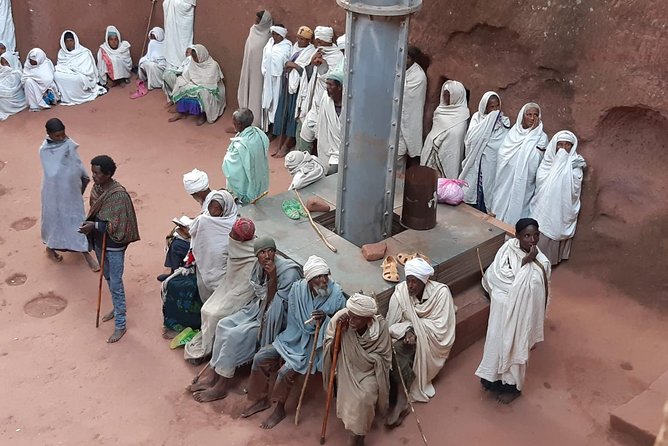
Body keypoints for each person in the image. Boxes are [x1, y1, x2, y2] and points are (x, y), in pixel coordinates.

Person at [189, 237, 303, 402]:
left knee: (235, 335)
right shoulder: (259, 266)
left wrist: (273, 278)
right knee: (223, 325)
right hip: (258, 308)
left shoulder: (288, 272)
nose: (266, 255)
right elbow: (260, 294)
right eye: (262, 253)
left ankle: (222, 385)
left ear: (275, 251)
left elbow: (277, 304)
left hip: (277, 319)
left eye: (270, 251)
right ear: (256, 255)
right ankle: (214, 375)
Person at [241, 255, 346, 429]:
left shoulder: (336, 294)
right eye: (318, 277)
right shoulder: (297, 290)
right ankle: (260, 399)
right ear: (309, 280)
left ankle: (279, 409)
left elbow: (340, 323)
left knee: (285, 372)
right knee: (261, 357)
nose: (323, 281)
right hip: (292, 337)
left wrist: (326, 319)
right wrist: (306, 327)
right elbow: (294, 318)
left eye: (325, 276)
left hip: (315, 345)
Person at [475, 218, 551, 404]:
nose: (532, 240)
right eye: (526, 236)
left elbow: (537, 294)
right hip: (500, 314)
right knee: (495, 345)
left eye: (535, 235)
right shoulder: (506, 251)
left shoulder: (542, 263)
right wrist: (525, 263)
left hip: (521, 319)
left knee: (516, 350)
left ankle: (512, 388)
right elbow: (497, 277)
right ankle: (491, 381)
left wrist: (528, 264)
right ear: (517, 236)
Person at [385, 257, 456, 427]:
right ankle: (399, 397)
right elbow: (391, 325)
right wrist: (408, 330)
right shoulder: (401, 293)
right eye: (408, 280)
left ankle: (402, 400)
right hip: (407, 336)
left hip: (431, 341)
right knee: (395, 350)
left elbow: (442, 329)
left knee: (404, 351)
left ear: (425, 281)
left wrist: (415, 330)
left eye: (415, 282)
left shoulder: (441, 293)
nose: (410, 285)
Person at [78, 155, 140, 343]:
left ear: (108, 174)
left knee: (116, 282)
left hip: (114, 245)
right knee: (107, 276)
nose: (94, 176)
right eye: (93, 172)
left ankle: (120, 324)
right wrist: (91, 226)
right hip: (99, 241)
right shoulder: (97, 188)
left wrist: (94, 226)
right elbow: (96, 213)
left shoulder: (119, 196)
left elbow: (119, 226)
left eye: (97, 173)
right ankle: (116, 307)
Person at [184, 217, 256, 363]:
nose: (230, 236)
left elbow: (245, 285)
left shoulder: (252, 257)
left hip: (241, 294)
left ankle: (209, 350)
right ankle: (207, 342)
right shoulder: (235, 247)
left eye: (234, 234)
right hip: (228, 287)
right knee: (206, 309)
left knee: (215, 314)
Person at [323, 293, 392, 446]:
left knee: (365, 398)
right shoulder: (343, 321)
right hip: (347, 367)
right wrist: (340, 332)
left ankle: (357, 436)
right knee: (354, 401)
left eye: (357, 318)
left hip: (370, 371)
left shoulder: (380, 328)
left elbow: (385, 357)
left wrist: (368, 359)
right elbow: (331, 348)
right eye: (351, 316)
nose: (352, 320)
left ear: (368, 319)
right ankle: (355, 438)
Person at [39, 118, 99, 271]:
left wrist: (81, 182)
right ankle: (50, 248)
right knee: (54, 223)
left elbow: (77, 166)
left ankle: (85, 252)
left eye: (62, 134)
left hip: (71, 193)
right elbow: (52, 173)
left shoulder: (69, 145)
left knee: (77, 223)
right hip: (52, 194)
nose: (61, 138)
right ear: (48, 134)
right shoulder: (44, 151)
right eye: (57, 136)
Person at [530, 131, 586, 265]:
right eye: (560, 145)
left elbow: (576, 183)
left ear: (572, 147)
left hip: (562, 206)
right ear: (554, 146)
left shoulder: (575, 163)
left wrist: (565, 167)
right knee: (542, 226)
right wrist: (558, 167)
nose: (563, 149)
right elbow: (541, 178)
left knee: (556, 226)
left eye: (567, 145)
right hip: (544, 204)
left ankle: (552, 259)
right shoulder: (547, 161)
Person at [491, 103, 548, 225]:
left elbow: (537, 160)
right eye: (529, 115)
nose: (532, 118)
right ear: (523, 116)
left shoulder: (541, 137)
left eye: (535, 115)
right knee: (499, 207)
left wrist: (531, 138)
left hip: (524, 182)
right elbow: (502, 154)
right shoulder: (513, 133)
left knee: (518, 207)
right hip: (505, 179)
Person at [157, 168, 213, 282]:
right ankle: (173, 271)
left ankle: (177, 274)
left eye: (194, 194)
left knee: (176, 242)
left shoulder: (212, 205)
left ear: (199, 192)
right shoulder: (212, 198)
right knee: (176, 231)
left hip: (207, 245)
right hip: (206, 237)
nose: (193, 197)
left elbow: (207, 229)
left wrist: (190, 230)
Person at [459, 91, 511, 212]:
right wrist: (488, 122)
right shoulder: (477, 119)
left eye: (497, 106)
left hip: (492, 164)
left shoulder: (504, 122)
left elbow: (504, 143)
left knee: (488, 191)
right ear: (485, 107)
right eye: (492, 107)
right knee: (473, 191)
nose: (495, 110)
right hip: (477, 162)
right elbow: (471, 139)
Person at [297, 26, 344, 153]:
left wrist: (323, 65)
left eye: (319, 41)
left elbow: (336, 81)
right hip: (315, 101)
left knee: (326, 139)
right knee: (306, 131)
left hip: (329, 103)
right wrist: (313, 63)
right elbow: (308, 73)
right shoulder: (318, 52)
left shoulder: (338, 57)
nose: (317, 43)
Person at [271, 26, 315, 157]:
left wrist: (294, 65)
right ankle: (281, 142)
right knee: (283, 113)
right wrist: (289, 65)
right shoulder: (295, 47)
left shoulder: (311, 52)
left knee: (293, 115)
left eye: (302, 39)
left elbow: (308, 72)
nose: (299, 41)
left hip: (299, 89)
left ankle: (287, 145)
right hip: (288, 85)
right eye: (298, 38)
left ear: (309, 40)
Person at [189, 190, 238, 301]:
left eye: (217, 208)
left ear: (226, 208)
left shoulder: (234, 226)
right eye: (211, 207)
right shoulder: (204, 221)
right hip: (205, 268)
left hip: (224, 275)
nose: (213, 211)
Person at [420, 79, 470, 178]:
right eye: (445, 95)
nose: (446, 98)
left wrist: (438, 141)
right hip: (432, 153)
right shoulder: (439, 111)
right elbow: (434, 133)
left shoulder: (463, 116)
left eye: (449, 95)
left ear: (457, 95)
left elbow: (456, 138)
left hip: (449, 156)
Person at [168, 44, 226, 125]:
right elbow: (188, 76)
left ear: (201, 55)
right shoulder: (193, 62)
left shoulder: (213, 65)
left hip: (210, 88)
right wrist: (188, 82)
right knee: (182, 84)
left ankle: (203, 115)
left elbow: (211, 82)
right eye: (193, 57)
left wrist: (196, 85)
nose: (194, 59)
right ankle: (182, 112)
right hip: (194, 83)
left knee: (202, 92)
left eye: (196, 57)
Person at [222, 108, 270, 204]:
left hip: (245, 184)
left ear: (239, 124)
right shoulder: (259, 133)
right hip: (258, 178)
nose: (233, 124)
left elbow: (229, 167)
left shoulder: (240, 146)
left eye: (234, 122)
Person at [238, 10, 272, 127]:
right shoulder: (253, 30)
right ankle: (242, 120)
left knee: (256, 95)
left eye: (259, 20)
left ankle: (254, 123)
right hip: (248, 67)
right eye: (256, 19)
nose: (256, 22)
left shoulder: (268, 36)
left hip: (259, 73)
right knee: (246, 91)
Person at [397, 46, 427, 173]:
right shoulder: (399, 68)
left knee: (398, 154)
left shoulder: (418, 76)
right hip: (396, 122)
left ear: (413, 59)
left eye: (408, 58)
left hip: (408, 121)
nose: (405, 60)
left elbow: (407, 98)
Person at [54, 30, 104, 105]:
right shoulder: (61, 53)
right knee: (56, 75)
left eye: (71, 41)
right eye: (67, 41)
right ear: (63, 43)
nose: (69, 43)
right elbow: (60, 67)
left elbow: (88, 71)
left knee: (77, 78)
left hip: (80, 74)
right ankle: (66, 97)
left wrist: (74, 69)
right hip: (68, 73)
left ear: (75, 41)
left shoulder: (84, 52)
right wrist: (70, 70)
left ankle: (79, 96)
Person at [261, 25, 293, 133]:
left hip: (279, 80)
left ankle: (276, 129)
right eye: (273, 34)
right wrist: (265, 71)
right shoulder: (269, 44)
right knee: (267, 102)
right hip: (268, 78)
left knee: (277, 103)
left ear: (282, 35)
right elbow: (264, 59)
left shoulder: (287, 46)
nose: (274, 36)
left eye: (277, 34)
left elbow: (286, 61)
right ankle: (268, 127)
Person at [314, 71, 343, 175]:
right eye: (327, 84)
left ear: (339, 87)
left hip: (343, 151)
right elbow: (322, 124)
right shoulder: (326, 100)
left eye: (330, 85)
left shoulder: (350, 105)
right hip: (327, 147)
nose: (327, 87)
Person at [134, 27, 167, 97]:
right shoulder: (151, 43)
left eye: (154, 37)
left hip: (162, 66)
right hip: (152, 62)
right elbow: (149, 56)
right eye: (151, 37)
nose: (153, 40)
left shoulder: (166, 44)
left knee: (152, 66)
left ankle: (156, 84)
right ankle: (142, 78)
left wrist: (156, 61)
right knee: (142, 62)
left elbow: (165, 59)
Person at [162, 0, 195, 69]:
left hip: (182, 25)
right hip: (170, 26)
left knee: (182, 46)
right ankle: (170, 66)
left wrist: (176, 3)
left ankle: (181, 65)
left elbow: (187, 5)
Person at [0, 52, 26, 120]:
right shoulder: (2, 73)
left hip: (14, 101)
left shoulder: (17, 73)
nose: (5, 65)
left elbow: (11, 91)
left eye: (7, 62)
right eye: (3, 63)